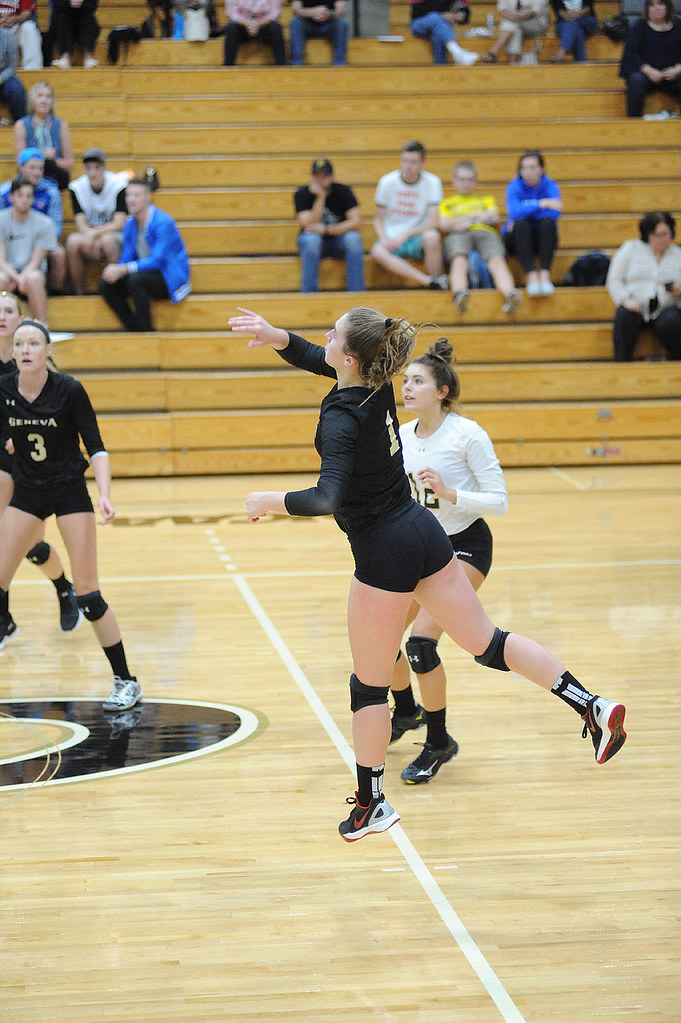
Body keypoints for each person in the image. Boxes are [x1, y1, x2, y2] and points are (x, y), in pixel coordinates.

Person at [229, 304, 627, 842]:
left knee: (369, 687)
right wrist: (277, 335)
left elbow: (326, 498)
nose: (323, 336)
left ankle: (370, 804)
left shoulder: (341, 416)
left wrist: (266, 499)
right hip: (424, 530)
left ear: (349, 356)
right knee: (488, 644)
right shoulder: (375, 382)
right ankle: (592, 705)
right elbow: (319, 359)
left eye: (334, 333)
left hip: (384, 552)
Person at [0, 320, 142, 711]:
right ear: (12, 352)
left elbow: (96, 447)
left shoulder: (69, 391)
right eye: (19, 344)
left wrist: (106, 494)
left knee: (90, 597)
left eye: (34, 343)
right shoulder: (4, 390)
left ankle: (126, 680)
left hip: (68, 491)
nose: (26, 349)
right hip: (27, 492)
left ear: (48, 351)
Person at [389, 337, 508, 783]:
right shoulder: (401, 435)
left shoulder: (467, 435)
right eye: (405, 380)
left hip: (465, 546)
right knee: (381, 640)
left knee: (421, 644)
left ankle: (438, 742)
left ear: (442, 390)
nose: (407, 387)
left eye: (418, 381)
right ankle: (406, 711)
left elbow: (499, 500)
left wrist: (450, 492)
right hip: (419, 549)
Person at [0, 291, 80, 639]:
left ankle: (65, 588)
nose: (2, 316)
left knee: (31, 544)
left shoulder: (36, 363)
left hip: (30, 465)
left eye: (9, 310)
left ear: (22, 319)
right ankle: (4, 620)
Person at [99, 172, 191, 332]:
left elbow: (158, 260)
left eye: (137, 195)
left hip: (169, 276)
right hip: (144, 273)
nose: (131, 200)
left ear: (148, 197)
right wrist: (117, 271)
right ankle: (133, 327)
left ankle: (146, 331)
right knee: (107, 284)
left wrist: (124, 269)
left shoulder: (163, 222)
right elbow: (126, 257)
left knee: (136, 280)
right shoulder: (130, 224)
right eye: (128, 195)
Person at [439, 159, 522, 314]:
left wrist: (460, 220)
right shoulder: (447, 203)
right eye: (462, 179)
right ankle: (460, 294)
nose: (466, 183)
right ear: (454, 181)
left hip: (485, 232)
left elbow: (493, 217)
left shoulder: (486, 199)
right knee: (459, 259)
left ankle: (510, 294)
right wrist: (475, 216)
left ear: (476, 181)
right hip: (458, 234)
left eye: (470, 179)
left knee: (496, 260)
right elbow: (445, 224)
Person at [371, 141, 448, 291]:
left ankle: (437, 281)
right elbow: (378, 219)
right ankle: (430, 282)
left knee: (432, 237)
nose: (408, 166)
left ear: (422, 163)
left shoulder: (432, 182)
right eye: (405, 161)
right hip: (392, 236)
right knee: (377, 251)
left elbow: (433, 221)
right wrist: (383, 238)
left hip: (416, 236)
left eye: (413, 162)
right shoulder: (387, 182)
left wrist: (405, 235)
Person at [606, 210, 681, 361]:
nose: (661, 239)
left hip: (666, 308)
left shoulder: (678, 254)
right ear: (647, 234)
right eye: (656, 235)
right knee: (624, 314)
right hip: (636, 306)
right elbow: (614, 280)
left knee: (672, 321)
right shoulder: (630, 248)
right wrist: (625, 299)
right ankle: (622, 364)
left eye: (665, 234)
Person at [0, 147, 66, 295]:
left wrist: (35, 240)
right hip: (11, 241)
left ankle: (54, 293)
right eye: (32, 168)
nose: (37, 173)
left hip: (40, 240)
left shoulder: (51, 191)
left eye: (40, 168)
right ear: (21, 167)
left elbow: (56, 228)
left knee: (59, 253)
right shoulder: (4, 192)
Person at [293, 158, 364, 293]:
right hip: (312, 243)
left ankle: (357, 293)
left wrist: (327, 230)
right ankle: (309, 295)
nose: (319, 180)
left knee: (354, 239)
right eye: (316, 176)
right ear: (311, 176)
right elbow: (309, 225)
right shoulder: (301, 194)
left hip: (338, 240)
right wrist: (320, 198)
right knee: (311, 240)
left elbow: (356, 223)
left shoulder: (343, 191)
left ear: (332, 177)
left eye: (324, 176)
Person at [66, 147, 128, 295]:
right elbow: (81, 223)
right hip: (90, 233)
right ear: (84, 170)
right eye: (88, 168)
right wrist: (91, 235)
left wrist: (94, 234)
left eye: (97, 168)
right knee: (72, 242)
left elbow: (119, 223)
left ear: (104, 168)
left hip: (112, 233)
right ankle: (79, 291)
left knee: (108, 241)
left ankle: (116, 289)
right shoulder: (76, 188)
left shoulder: (119, 185)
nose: (93, 173)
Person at [503, 149, 562, 296]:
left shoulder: (550, 185)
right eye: (524, 168)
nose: (527, 172)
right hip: (516, 239)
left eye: (532, 168)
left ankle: (544, 275)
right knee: (521, 224)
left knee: (548, 223)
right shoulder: (514, 185)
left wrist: (526, 208)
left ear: (541, 169)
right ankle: (532, 276)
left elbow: (555, 211)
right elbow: (515, 212)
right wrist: (542, 203)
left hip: (540, 237)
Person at [0, 176, 56, 323]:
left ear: (33, 198)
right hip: (8, 272)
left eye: (29, 196)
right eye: (20, 195)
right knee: (1, 279)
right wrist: (16, 277)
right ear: (11, 197)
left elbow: (36, 261)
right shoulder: (1, 221)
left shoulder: (45, 223)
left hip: (32, 272)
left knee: (34, 278)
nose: (24, 200)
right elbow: (1, 260)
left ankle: (41, 326)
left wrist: (22, 278)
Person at [619, 0, 681, 117]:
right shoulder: (639, 26)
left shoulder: (679, 25)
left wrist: (677, 69)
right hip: (647, 76)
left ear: (668, 6)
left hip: (673, 75)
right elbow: (631, 54)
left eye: (660, 4)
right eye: (651, 5)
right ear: (647, 9)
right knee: (636, 80)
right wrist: (649, 71)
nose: (656, 8)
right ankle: (634, 122)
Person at [14, 82, 74, 192]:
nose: (44, 100)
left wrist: (54, 160)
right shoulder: (21, 125)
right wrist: (40, 156)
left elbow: (69, 164)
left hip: (55, 175)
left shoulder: (61, 125)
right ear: (32, 100)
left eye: (48, 96)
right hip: (29, 175)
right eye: (40, 96)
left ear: (52, 102)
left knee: (52, 189)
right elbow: (20, 163)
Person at [409, 0, 479, 65]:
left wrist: (460, 15)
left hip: (441, 27)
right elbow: (418, 10)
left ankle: (440, 68)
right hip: (419, 23)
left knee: (438, 36)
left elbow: (463, 8)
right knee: (435, 17)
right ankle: (457, 52)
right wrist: (442, 16)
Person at [481, 0, 550, 63]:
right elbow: (502, 6)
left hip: (535, 22)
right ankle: (513, 63)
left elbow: (537, 9)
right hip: (514, 22)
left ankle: (494, 51)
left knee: (510, 24)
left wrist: (522, 15)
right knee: (515, 30)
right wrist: (508, 14)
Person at [222, 0, 286, 65]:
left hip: (265, 25)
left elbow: (274, 13)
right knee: (231, 27)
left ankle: (281, 65)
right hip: (242, 25)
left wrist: (258, 23)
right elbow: (232, 13)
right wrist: (247, 23)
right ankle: (228, 65)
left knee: (276, 28)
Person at [289, 0, 349, 66]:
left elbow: (341, 10)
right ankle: (297, 63)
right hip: (306, 23)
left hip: (330, 23)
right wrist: (312, 12)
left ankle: (339, 63)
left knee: (342, 23)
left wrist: (327, 14)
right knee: (295, 22)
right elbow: (296, 9)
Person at [50, 0, 100, 68]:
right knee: (61, 19)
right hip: (64, 15)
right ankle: (65, 57)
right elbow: (57, 5)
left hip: (84, 15)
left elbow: (93, 6)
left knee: (89, 20)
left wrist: (81, 3)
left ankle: (88, 57)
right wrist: (69, 3)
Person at [0, 0, 43, 70]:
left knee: (29, 27)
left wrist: (15, 19)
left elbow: (27, 13)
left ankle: (32, 69)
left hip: (16, 27)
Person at [0, 24, 26, 123]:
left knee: (17, 90)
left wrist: (1, 78)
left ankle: (21, 124)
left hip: (4, 77)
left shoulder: (8, 36)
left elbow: (12, 67)